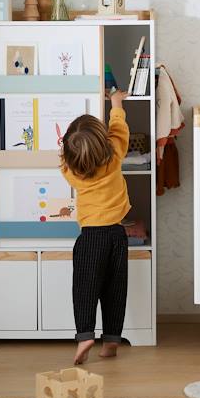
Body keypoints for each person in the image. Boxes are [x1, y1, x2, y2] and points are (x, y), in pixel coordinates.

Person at [61, 90, 130, 364]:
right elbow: (119, 128)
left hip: (91, 238)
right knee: (115, 290)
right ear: (104, 142)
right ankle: (111, 340)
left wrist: (70, 143)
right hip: (117, 234)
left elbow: (67, 154)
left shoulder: (71, 170)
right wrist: (115, 101)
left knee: (85, 288)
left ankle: (86, 335)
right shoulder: (115, 156)